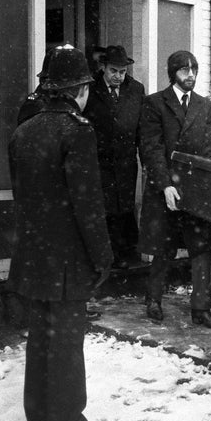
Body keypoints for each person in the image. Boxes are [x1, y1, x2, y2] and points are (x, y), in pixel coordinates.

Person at [7, 44, 116, 421]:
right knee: (68, 340)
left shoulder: (22, 132)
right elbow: (88, 204)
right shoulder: (78, 131)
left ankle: (37, 414)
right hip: (68, 257)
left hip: (33, 253)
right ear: (79, 90)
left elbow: (21, 196)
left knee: (41, 335)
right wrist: (103, 256)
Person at [138, 50, 211, 330]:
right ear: (172, 73)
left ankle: (201, 309)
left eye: (194, 70)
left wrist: (206, 187)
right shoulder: (154, 104)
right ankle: (154, 300)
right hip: (164, 187)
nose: (191, 75)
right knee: (163, 248)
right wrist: (165, 185)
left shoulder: (205, 106)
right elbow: (150, 149)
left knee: (201, 249)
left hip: (195, 190)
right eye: (184, 70)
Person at [84, 45, 146, 269]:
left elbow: (141, 127)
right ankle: (103, 258)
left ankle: (124, 256)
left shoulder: (136, 90)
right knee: (103, 209)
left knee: (124, 208)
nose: (118, 76)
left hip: (126, 162)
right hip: (99, 162)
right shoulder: (89, 88)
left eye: (122, 72)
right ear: (103, 67)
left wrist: (143, 157)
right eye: (113, 71)